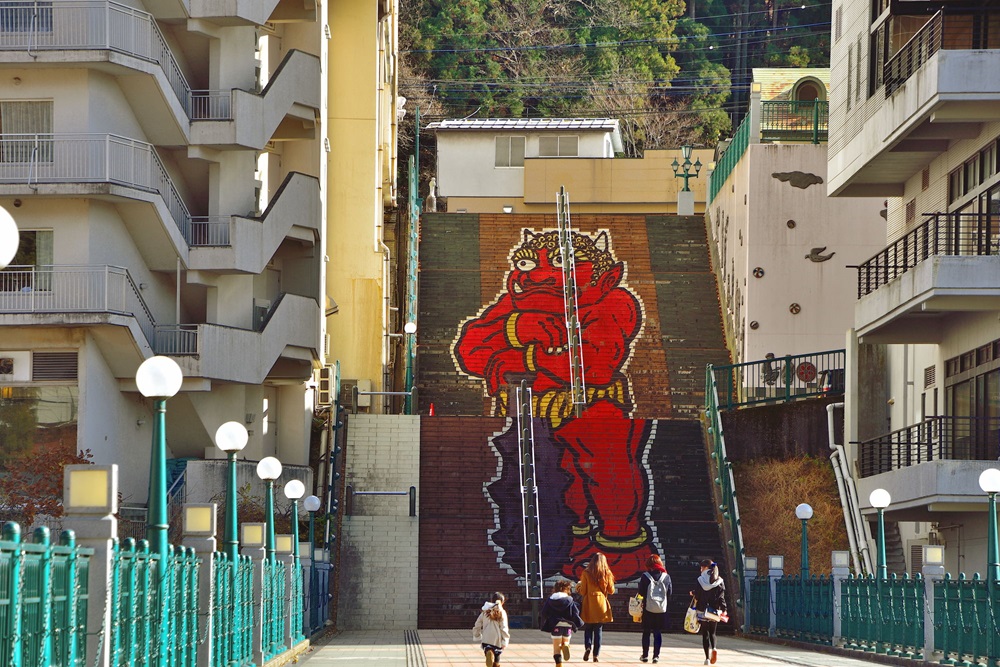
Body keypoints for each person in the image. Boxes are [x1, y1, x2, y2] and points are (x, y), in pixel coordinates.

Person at [578, 554, 615, 662]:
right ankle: (596, 655)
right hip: (601, 603)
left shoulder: (586, 573)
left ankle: (588, 647)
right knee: (598, 630)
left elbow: (583, 591)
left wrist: (579, 586)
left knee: (588, 628)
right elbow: (611, 590)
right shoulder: (607, 573)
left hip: (589, 603)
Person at [540, 579, 585, 665]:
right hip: (568, 625)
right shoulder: (570, 600)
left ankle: (559, 664)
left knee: (556, 648)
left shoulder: (550, 599)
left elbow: (544, 612)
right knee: (566, 640)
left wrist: (547, 620)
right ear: (567, 589)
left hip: (555, 625)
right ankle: (566, 645)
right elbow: (576, 612)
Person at [692, 559, 727, 665]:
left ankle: (707, 658)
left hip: (702, 609)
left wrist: (693, 593)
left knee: (705, 634)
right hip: (714, 610)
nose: (701, 569)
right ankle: (714, 648)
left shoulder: (700, 579)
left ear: (706, 567)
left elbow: (697, 595)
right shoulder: (719, 580)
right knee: (713, 633)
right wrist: (724, 609)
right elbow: (721, 597)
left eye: (702, 567)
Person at [638, 554, 672, 663]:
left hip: (648, 608)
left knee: (646, 632)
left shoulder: (645, 576)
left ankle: (645, 655)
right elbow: (670, 593)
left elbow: (641, 593)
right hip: (661, 609)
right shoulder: (666, 577)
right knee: (657, 632)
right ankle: (656, 656)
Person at [473, 592, 510, 667]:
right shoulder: (502, 612)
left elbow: (477, 624)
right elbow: (504, 627)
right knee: (497, 656)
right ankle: (495, 663)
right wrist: (505, 640)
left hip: (486, 638)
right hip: (497, 640)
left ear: (491, 600)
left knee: (487, 651)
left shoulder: (485, 611)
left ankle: (489, 652)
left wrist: (477, 634)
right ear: (502, 602)